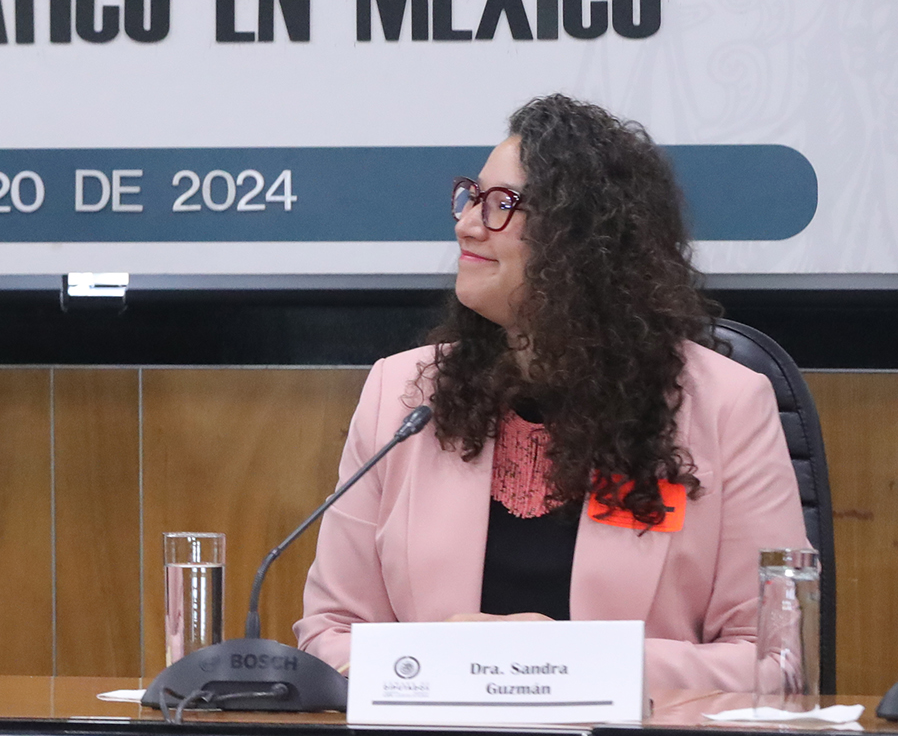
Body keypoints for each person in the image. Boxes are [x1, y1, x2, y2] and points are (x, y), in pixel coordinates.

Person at [297, 95, 807, 692]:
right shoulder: (403, 395)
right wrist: (447, 662)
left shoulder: (727, 404)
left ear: (583, 238)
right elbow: (330, 634)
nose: (466, 224)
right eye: (471, 196)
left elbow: (774, 661)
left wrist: (564, 661)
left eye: (501, 204)